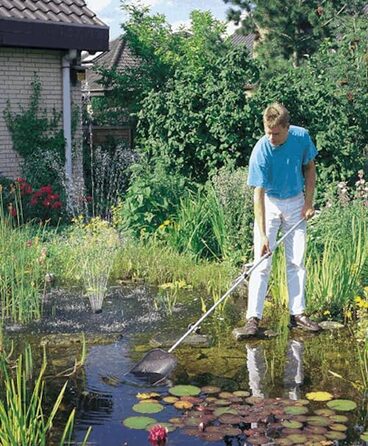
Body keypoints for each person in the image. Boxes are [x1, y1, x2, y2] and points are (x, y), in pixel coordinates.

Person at [244, 102, 321, 336]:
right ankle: (253, 319)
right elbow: (258, 193)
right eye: (267, 132)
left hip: (296, 201)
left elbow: (309, 168)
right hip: (270, 201)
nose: (271, 137)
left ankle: (297, 315)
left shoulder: (301, 137)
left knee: (296, 260)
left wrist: (308, 202)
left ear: (287, 127)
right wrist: (264, 235)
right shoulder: (261, 150)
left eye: (276, 133)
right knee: (261, 262)